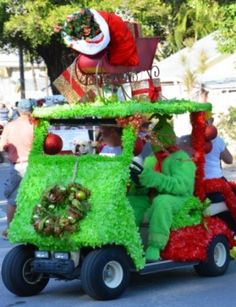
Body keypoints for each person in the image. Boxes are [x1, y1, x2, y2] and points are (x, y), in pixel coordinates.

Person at [129, 118, 196, 262]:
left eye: (155, 138)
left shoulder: (182, 159)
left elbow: (181, 186)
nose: (152, 142)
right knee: (131, 201)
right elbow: (147, 183)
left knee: (162, 202)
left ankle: (155, 246)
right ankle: (128, 241)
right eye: (151, 138)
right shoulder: (150, 160)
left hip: (180, 199)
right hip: (152, 197)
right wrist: (139, 184)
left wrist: (155, 179)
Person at [0, 99, 35, 239]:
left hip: (17, 166)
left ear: (19, 111)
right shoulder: (36, 126)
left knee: (13, 200)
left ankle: (10, 229)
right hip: (35, 165)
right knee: (34, 197)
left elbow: (2, 146)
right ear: (31, 110)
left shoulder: (10, 126)